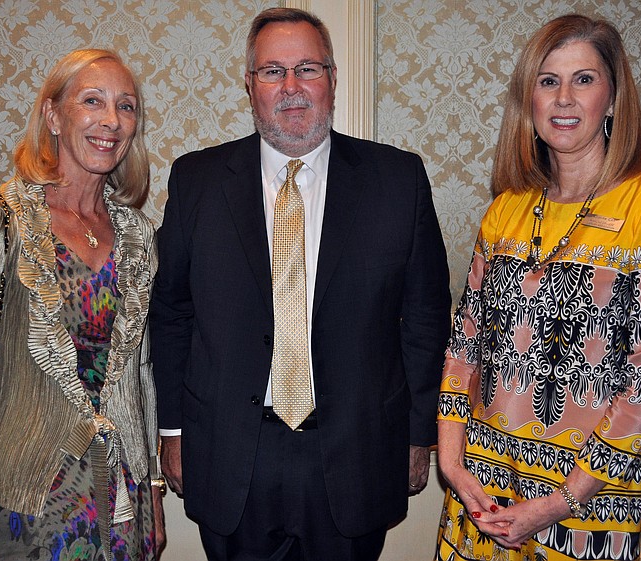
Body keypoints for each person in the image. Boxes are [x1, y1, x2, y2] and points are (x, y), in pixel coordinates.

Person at [150, 7, 451, 561]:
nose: (291, 87)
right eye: (272, 71)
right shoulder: (196, 180)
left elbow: (427, 319)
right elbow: (171, 313)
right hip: (231, 452)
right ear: (249, 85)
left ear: (333, 79)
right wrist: (172, 432)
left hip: (357, 452)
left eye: (308, 68)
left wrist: (417, 436)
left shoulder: (398, 180)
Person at [435, 14, 641, 561]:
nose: (564, 99)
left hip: (583, 506)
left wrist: (561, 500)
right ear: (527, 101)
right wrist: (452, 463)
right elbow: (465, 345)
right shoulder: (506, 209)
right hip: (480, 492)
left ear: (614, 96)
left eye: (584, 79)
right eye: (548, 80)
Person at [0, 49, 163, 560]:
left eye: (126, 107)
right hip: (29, 502)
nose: (111, 120)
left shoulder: (138, 235)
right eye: (92, 101)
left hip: (122, 501)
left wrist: (150, 486)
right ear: (53, 116)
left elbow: (141, 373)